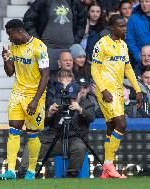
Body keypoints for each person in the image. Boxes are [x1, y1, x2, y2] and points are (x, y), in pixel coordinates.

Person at [0, 19, 50, 181]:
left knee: (32, 133)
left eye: (10, 35)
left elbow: (46, 75)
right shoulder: (14, 47)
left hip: (34, 95)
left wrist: (35, 100)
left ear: (19, 32)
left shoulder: (39, 47)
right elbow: (9, 72)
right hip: (17, 94)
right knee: (14, 129)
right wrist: (6, 59)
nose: (9, 39)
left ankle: (31, 171)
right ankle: (11, 170)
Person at [91, 14, 143, 179]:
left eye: (125, 26)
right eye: (121, 26)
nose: (124, 29)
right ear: (112, 27)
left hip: (118, 90)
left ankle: (107, 169)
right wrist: (103, 89)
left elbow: (128, 69)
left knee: (111, 127)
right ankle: (108, 164)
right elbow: (94, 70)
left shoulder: (123, 45)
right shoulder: (101, 45)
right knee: (121, 123)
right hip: (106, 91)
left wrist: (138, 89)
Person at [19, 70, 95, 178]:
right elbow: (41, 123)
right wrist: (49, 113)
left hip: (75, 138)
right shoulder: (57, 101)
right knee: (34, 142)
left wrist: (80, 109)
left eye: (74, 97)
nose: (71, 100)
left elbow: (91, 117)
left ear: (79, 93)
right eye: (69, 97)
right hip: (55, 138)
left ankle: (72, 174)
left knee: (80, 147)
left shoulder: (87, 103)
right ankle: (24, 171)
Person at [23, 0, 87, 71]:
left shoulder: (74, 2)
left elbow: (82, 22)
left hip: (69, 50)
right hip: (46, 50)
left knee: (67, 80)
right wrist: (37, 42)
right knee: (46, 79)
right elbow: (28, 20)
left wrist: (76, 41)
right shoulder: (42, 2)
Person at [126, 1, 150, 75]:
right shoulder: (133, 18)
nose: (144, 4)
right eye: (142, 1)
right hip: (140, 64)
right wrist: (139, 57)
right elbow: (130, 41)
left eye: (147, 1)